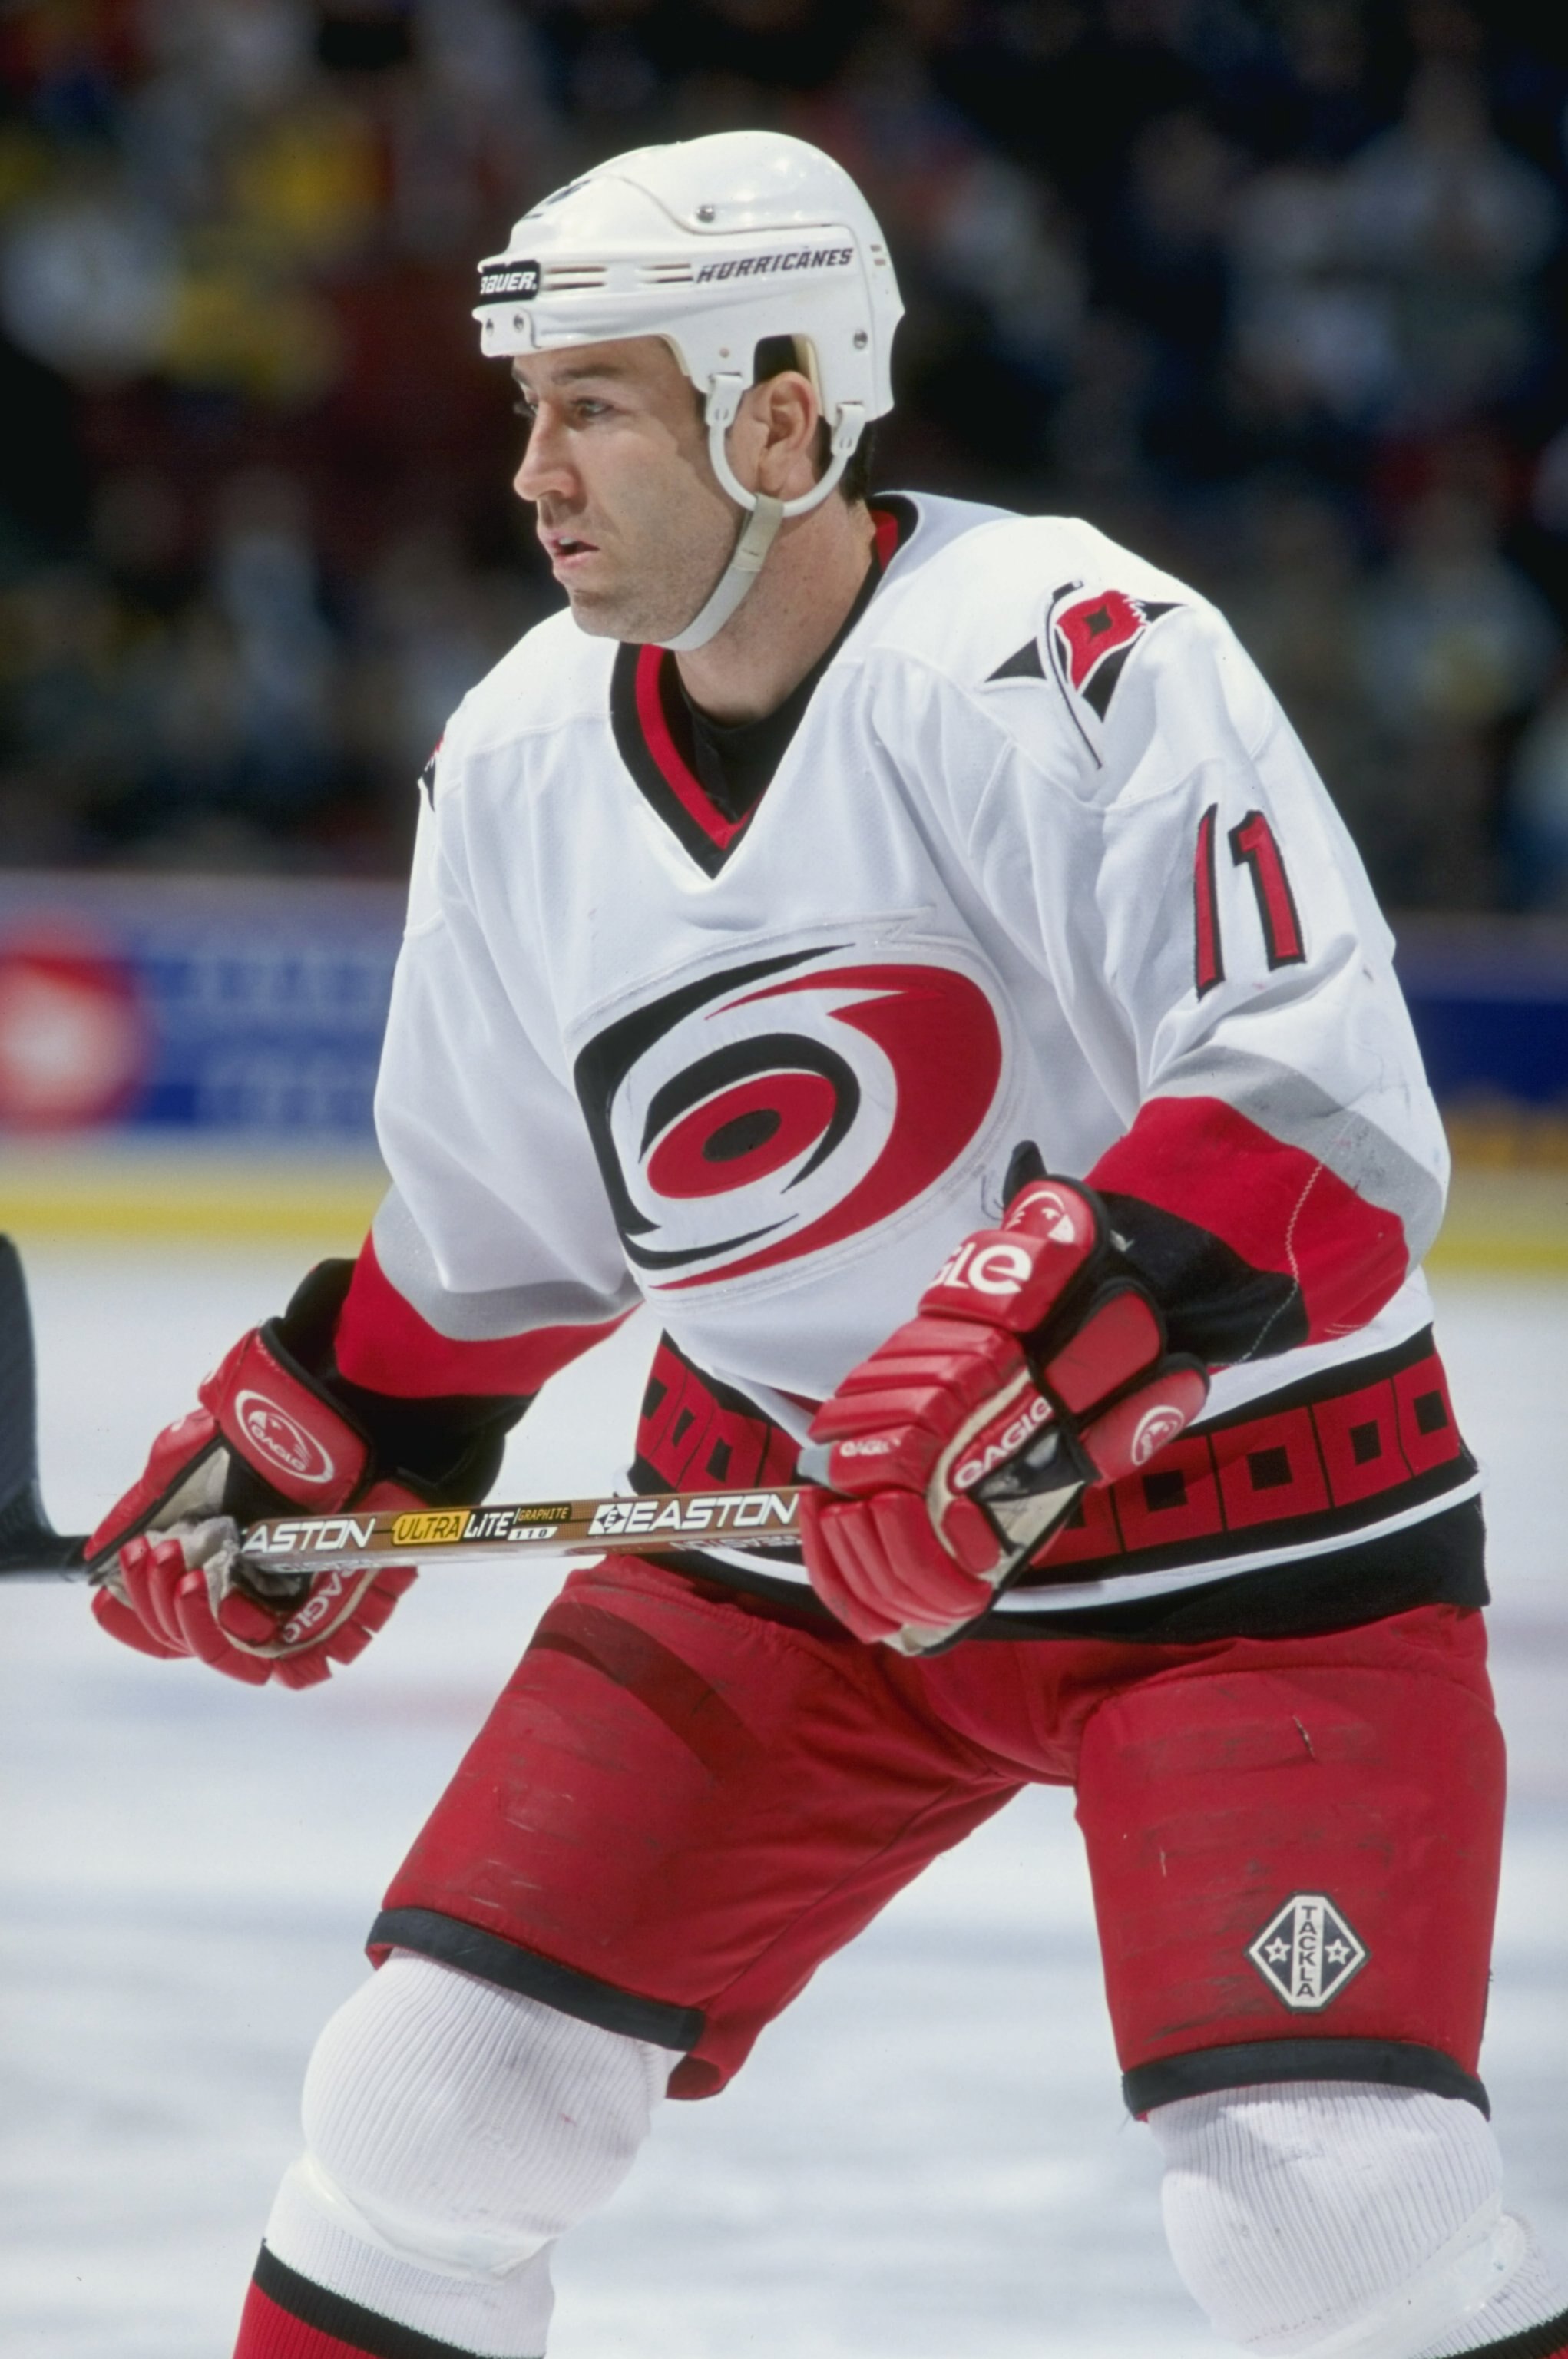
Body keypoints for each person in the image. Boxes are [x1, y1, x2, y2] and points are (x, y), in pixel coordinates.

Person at [88, 131, 1566, 2359]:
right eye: (528, 410)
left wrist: (1025, 1360)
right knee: (433, 2104)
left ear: (781, 416)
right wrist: (333, 1426)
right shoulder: (509, 753)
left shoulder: (1064, 651)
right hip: (781, 1530)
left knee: (1327, 2209)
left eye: (592, 405)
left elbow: (1320, 1105)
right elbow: (502, 1236)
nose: (528, 473)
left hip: (1252, 1555)